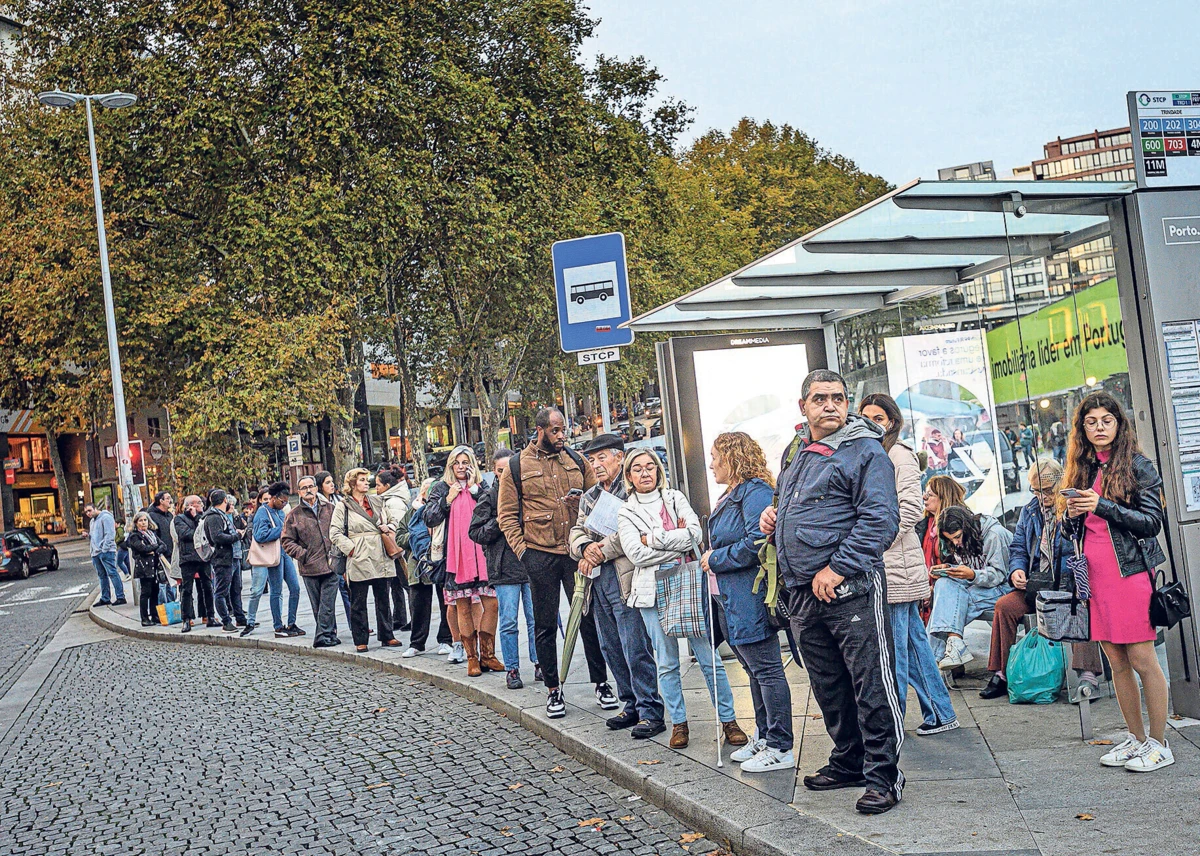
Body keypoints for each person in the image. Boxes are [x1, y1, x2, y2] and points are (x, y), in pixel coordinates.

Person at [760, 369, 903, 815]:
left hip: (851, 588)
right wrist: (774, 516)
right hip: (802, 591)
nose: (830, 405)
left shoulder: (865, 450)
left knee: (871, 683)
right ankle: (849, 760)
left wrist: (837, 568)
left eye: (838, 398)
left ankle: (884, 776)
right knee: (828, 685)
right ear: (803, 405)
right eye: (820, 398)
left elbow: (881, 520)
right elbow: (797, 504)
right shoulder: (796, 451)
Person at [1061, 392, 1173, 771]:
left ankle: (1160, 743)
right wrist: (1070, 515)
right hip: (1095, 575)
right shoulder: (1082, 467)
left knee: (1142, 657)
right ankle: (1136, 738)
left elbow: (1151, 523)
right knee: (1116, 660)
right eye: (1090, 422)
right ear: (1082, 428)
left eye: (1106, 421)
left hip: (1130, 574)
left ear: (1119, 423)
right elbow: (1074, 529)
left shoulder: (1139, 466)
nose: (1098, 428)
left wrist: (1101, 505)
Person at [618, 448, 748, 752]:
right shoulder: (626, 511)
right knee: (666, 661)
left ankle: (729, 720)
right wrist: (673, 542)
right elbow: (635, 555)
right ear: (629, 476)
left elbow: (693, 535)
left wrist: (652, 539)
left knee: (708, 656)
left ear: (659, 470)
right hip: (651, 591)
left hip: (686, 581)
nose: (645, 473)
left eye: (650, 466)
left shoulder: (674, 497)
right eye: (637, 469)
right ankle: (679, 722)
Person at [498, 407, 615, 719]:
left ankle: (601, 683)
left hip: (576, 553)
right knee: (545, 624)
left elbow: (599, 500)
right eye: (555, 431)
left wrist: (584, 512)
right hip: (540, 554)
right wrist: (524, 554)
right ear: (540, 430)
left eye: (564, 430)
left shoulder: (577, 460)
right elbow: (507, 516)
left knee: (587, 619)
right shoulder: (515, 466)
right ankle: (553, 689)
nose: (562, 436)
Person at [860, 394, 960, 736]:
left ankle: (893, 721)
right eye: (865, 415)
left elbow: (911, 507)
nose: (872, 421)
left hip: (894, 565)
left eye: (878, 416)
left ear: (891, 420)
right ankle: (941, 712)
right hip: (886, 564)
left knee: (895, 650)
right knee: (913, 646)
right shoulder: (869, 451)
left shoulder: (897, 453)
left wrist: (876, 540)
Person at [702, 432, 792, 771]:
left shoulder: (754, 492)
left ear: (732, 457)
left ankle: (781, 746)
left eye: (715, 456)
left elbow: (758, 541)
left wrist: (716, 558)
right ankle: (765, 735)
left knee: (767, 671)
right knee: (754, 671)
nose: (711, 463)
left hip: (749, 595)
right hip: (730, 596)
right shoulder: (733, 493)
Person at [981, 458, 1104, 699]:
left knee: (1081, 605)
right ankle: (1002, 671)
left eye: (1046, 491)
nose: (1041, 496)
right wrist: (1017, 570)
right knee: (1004, 607)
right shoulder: (1030, 511)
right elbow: (1018, 547)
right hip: (1038, 584)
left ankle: (1087, 674)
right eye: (1036, 491)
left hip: (1069, 583)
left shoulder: (1073, 507)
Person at [569, 434, 664, 736]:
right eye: (592, 460)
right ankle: (631, 703)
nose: (595, 465)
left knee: (635, 645)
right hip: (598, 581)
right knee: (611, 646)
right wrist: (585, 548)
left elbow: (634, 531)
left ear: (619, 458)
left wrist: (598, 551)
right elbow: (575, 532)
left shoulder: (633, 491)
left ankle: (651, 708)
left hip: (625, 577)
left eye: (602, 458)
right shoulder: (589, 496)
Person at [423, 446, 504, 677]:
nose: (461, 467)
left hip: (483, 552)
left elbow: (495, 509)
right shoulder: (441, 487)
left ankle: (487, 654)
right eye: (457, 463)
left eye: (465, 462)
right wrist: (446, 500)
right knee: (463, 605)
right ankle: (472, 658)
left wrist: (476, 491)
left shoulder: (482, 487)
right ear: (450, 466)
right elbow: (429, 517)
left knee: (492, 603)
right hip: (455, 556)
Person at [470, 448, 541, 688]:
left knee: (538, 619)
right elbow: (475, 533)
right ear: (495, 471)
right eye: (501, 470)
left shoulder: (528, 492)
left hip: (532, 565)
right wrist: (498, 523)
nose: (506, 474)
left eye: (510, 469)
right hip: (504, 568)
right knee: (509, 621)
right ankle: (512, 669)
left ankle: (541, 662)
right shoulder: (489, 497)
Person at [926, 506, 1014, 670]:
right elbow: (969, 568)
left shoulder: (994, 535)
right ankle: (952, 646)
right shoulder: (962, 540)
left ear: (967, 526)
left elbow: (1000, 575)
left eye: (957, 537)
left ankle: (930, 659)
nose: (956, 542)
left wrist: (972, 575)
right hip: (979, 584)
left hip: (1004, 587)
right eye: (951, 539)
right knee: (944, 584)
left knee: (950, 604)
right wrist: (950, 568)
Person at [331, 467, 402, 652]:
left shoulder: (377, 501)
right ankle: (360, 639)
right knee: (358, 601)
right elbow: (335, 533)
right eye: (362, 479)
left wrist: (389, 526)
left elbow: (394, 519)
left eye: (366, 479)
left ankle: (387, 635)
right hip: (359, 556)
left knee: (383, 598)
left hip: (380, 554)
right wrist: (352, 549)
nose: (366, 482)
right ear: (352, 483)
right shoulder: (343, 505)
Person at [282, 475, 341, 648]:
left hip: (331, 563)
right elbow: (286, 541)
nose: (308, 490)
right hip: (310, 566)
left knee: (327, 603)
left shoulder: (330, 509)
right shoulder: (294, 515)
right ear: (299, 492)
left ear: (316, 488)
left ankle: (322, 636)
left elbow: (341, 530)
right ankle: (328, 635)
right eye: (304, 487)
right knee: (318, 605)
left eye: (311, 486)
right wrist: (303, 554)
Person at [244, 484, 304, 638]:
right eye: (282, 501)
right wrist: (282, 530)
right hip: (273, 556)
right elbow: (259, 536)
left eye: (286, 502)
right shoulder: (262, 513)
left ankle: (292, 622)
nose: (284, 504)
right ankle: (278, 626)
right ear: (274, 498)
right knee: (276, 591)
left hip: (284, 553)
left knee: (295, 588)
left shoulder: (280, 512)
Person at [404, 478, 455, 657]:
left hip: (441, 561)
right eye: (427, 490)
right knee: (419, 605)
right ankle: (416, 643)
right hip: (419, 563)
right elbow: (401, 535)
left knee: (446, 603)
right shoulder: (412, 511)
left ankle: (446, 640)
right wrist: (415, 540)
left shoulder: (443, 508)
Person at [316, 470, 357, 634]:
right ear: (320, 486)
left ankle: (354, 624)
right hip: (328, 553)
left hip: (341, 550)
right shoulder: (318, 503)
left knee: (347, 589)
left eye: (332, 481)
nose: (332, 485)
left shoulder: (339, 501)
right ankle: (331, 627)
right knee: (333, 591)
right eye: (327, 482)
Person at [202, 489, 243, 632]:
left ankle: (240, 618)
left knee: (236, 589)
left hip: (232, 556)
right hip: (222, 558)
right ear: (225, 500)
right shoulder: (213, 517)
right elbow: (217, 537)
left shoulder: (221, 515)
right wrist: (236, 536)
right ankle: (226, 621)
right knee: (221, 591)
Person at [375, 469, 412, 633]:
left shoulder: (394, 501)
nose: (375, 488)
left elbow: (397, 524)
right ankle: (400, 618)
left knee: (406, 583)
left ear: (387, 486)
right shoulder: (390, 498)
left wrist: (387, 527)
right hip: (395, 548)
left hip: (398, 549)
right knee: (397, 583)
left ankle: (413, 617)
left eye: (378, 485)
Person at [173, 495, 212, 632]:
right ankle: (186, 619)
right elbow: (186, 535)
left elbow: (207, 532)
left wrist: (197, 518)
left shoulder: (203, 517)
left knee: (207, 587)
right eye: (196, 503)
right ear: (189, 506)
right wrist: (196, 520)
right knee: (187, 590)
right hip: (188, 558)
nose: (200, 505)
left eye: (200, 503)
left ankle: (209, 616)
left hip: (203, 557)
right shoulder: (179, 519)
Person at [915, 476, 967, 573]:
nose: (924, 497)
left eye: (929, 494)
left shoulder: (961, 526)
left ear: (944, 497)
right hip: (927, 584)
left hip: (949, 584)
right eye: (925, 493)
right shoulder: (923, 525)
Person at [127, 511, 168, 626]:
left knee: (155, 591)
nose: (143, 523)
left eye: (145, 520)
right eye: (140, 520)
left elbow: (163, 546)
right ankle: (144, 618)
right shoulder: (135, 536)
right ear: (136, 523)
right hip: (144, 567)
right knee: (146, 593)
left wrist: (154, 550)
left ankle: (154, 616)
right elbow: (142, 548)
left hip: (154, 566)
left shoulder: (151, 533)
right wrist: (154, 548)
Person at [85, 503, 126, 607]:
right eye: (86, 512)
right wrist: (88, 536)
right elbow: (94, 536)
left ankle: (120, 597)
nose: (88, 513)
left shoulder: (106, 517)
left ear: (95, 508)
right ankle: (105, 597)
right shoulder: (92, 521)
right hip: (96, 553)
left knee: (112, 573)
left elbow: (110, 534)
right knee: (102, 575)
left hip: (106, 552)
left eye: (90, 510)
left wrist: (104, 549)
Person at [223, 492, 248, 628]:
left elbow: (244, 530)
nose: (232, 506)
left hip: (237, 552)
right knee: (226, 586)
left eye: (233, 504)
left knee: (237, 586)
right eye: (230, 504)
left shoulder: (236, 517)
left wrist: (242, 532)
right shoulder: (221, 517)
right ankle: (228, 612)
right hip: (227, 555)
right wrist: (237, 534)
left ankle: (240, 615)